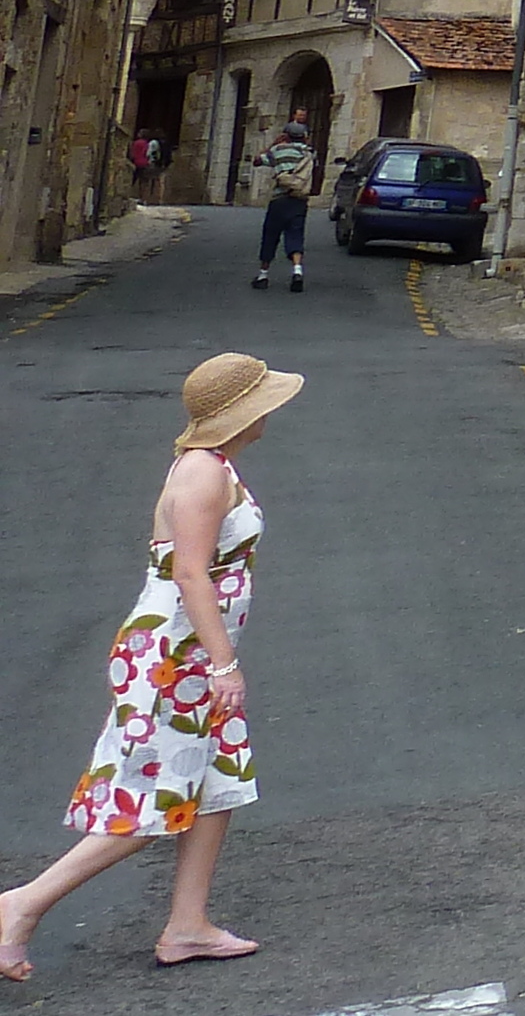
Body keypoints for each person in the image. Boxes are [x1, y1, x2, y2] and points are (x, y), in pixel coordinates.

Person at [0, 350, 300, 981]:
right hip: (173, 657)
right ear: (245, 412)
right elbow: (190, 572)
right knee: (150, 802)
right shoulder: (202, 473)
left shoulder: (216, 466)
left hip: (190, 654)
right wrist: (223, 665)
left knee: (217, 784)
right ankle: (21, 905)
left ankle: (187, 925)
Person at [249, 117, 314, 294]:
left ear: (286, 135)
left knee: (270, 235)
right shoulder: (308, 152)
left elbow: (257, 161)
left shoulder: (277, 151)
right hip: (299, 200)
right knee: (295, 235)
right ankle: (297, 271)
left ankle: (263, 275)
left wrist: (273, 144)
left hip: (279, 200)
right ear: (304, 136)